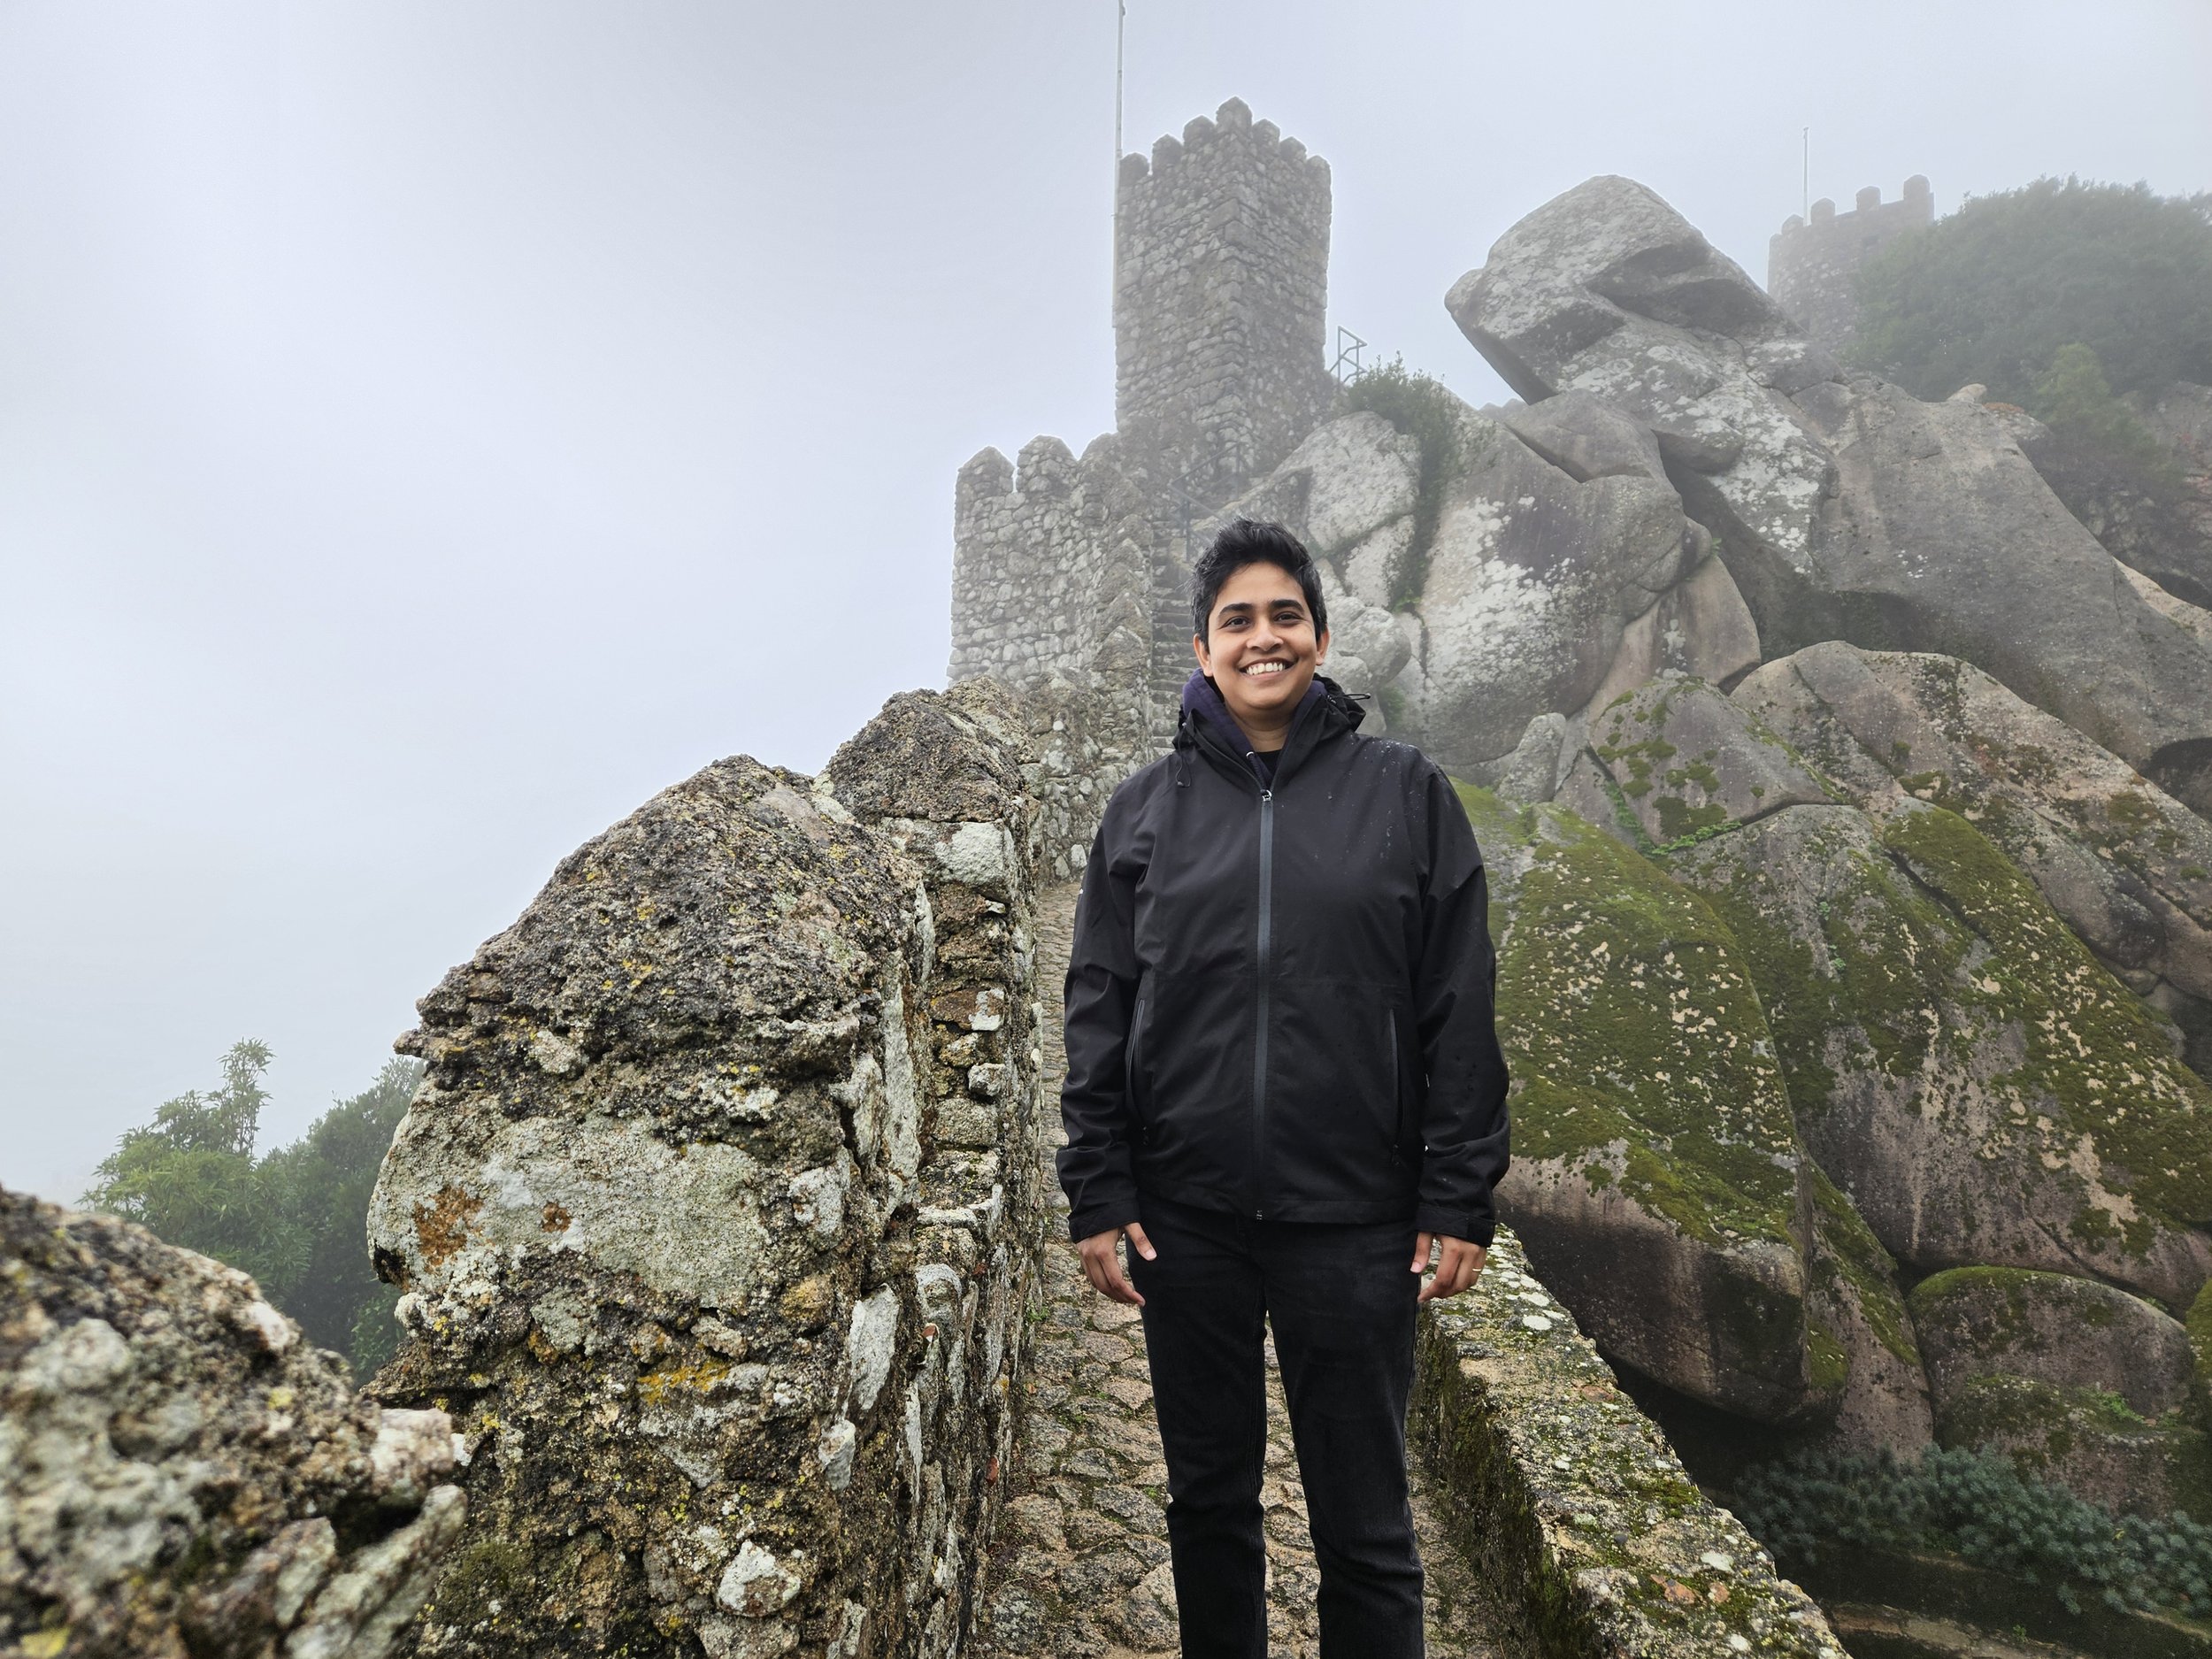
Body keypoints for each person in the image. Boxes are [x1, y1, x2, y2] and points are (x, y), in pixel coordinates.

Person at [1056, 518, 1511, 1659]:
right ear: (1202, 650)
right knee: (1210, 1512)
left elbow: (1458, 1004)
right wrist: (1099, 1189)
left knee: (1367, 1533)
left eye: (1285, 615)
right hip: (1187, 1223)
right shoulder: (1143, 813)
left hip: (1353, 1224)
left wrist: (1456, 1195)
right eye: (1237, 620)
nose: (1265, 638)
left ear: (1320, 633)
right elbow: (1100, 1006)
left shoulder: (1406, 795)